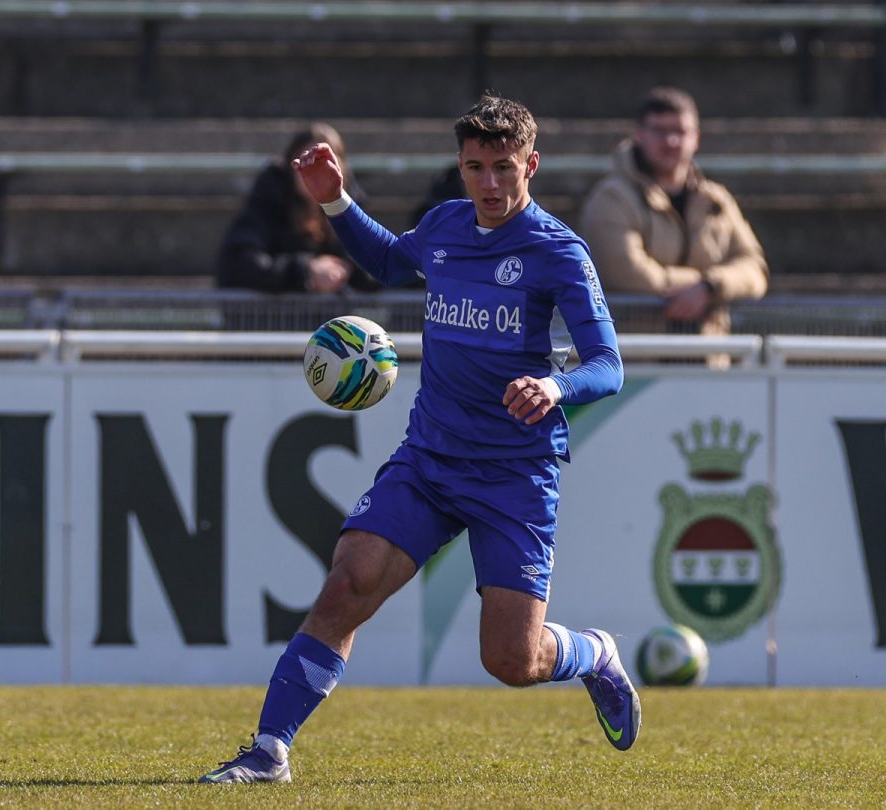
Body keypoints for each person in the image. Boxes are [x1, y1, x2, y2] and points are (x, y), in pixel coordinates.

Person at [200, 95, 635, 784]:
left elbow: (608, 364)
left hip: (513, 475)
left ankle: (593, 653)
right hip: (431, 457)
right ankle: (269, 749)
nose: (488, 185)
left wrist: (556, 387)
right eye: (473, 167)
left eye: (502, 168)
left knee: (511, 661)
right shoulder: (447, 224)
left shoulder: (557, 252)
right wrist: (337, 204)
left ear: (532, 164)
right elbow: (395, 264)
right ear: (459, 166)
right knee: (348, 583)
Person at [578, 87, 768, 348]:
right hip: (638, 361)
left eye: (680, 131)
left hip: (712, 358)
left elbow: (755, 269)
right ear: (639, 135)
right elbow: (626, 273)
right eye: (659, 131)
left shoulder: (716, 199)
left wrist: (709, 287)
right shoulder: (611, 197)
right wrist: (701, 286)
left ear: (696, 138)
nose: (670, 141)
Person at [216, 123, 379, 294]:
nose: (318, 172)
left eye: (327, 164)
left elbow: (380, 268)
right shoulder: (269, 202)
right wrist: (306, 270)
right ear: (292, 167)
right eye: (309, 163)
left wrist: (343, 270)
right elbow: (239, 263)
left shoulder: (352, 209)